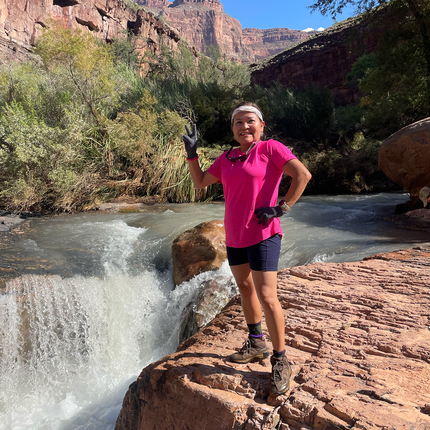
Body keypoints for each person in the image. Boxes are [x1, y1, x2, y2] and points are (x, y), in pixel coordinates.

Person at [182, 101, 312, 397]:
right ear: (233, 129)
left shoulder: (271, 149)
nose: (244, 127)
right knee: (245, 289)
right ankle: (256, 344)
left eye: (250, 121)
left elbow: (302, 175)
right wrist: (192, 155)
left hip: (265, 233)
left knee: (267, 294)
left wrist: (281, 208)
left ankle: (281, 359)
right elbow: (200, 182)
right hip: (235, 235)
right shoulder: (226, 158)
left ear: (261, 125)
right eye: (238, 122)